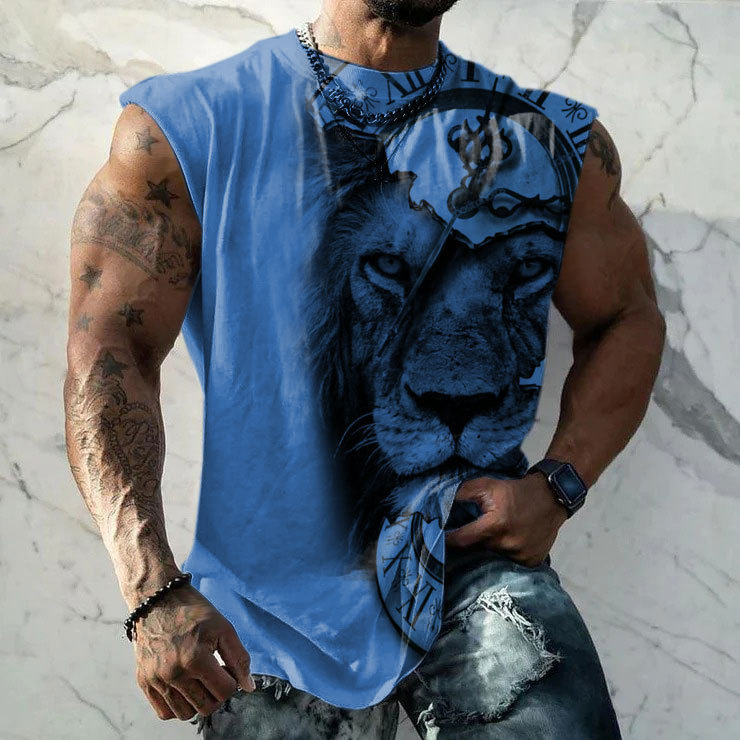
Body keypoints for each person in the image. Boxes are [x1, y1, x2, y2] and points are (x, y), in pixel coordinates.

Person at [63, 0, 666, 737]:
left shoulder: (550, 141)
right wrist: (150, 586)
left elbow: (628, 316)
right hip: (266, 604)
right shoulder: (188, 126)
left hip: (470, 553)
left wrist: (558, 484)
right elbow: (108, 352)